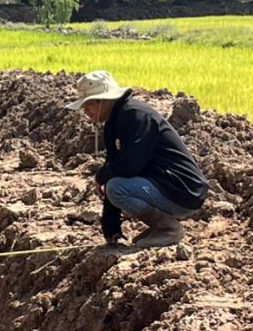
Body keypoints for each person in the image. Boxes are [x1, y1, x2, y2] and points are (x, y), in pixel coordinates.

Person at [67, 71, 208, 248]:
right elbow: (114, 164)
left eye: (88, 105)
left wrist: (101, 177)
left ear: (104, 100)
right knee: (113, 183)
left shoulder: (136, 116)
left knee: (117, 187)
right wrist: (111, 229)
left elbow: (130, 165)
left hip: (182, 190)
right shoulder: (114, 122)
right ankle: (161, 226)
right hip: (163, 185)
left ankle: (168, 228)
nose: (85, 111)